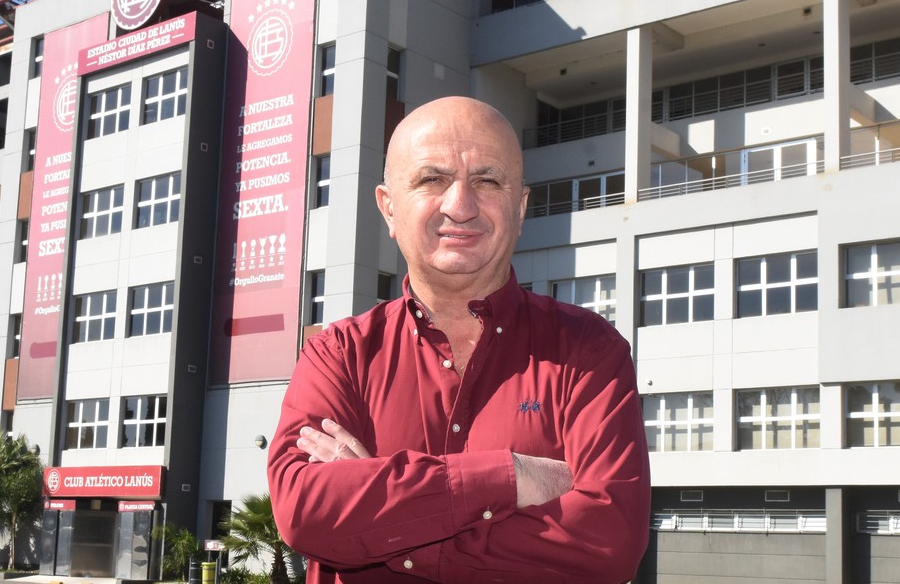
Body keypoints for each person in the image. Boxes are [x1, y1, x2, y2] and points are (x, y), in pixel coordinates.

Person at [267, 96, 650, 583]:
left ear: (520, 207)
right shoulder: (338, 354)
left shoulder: (589, 352)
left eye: (487, 181)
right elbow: (306, 512)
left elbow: (609, 540)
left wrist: (386, 521)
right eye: (432, 179)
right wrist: (512, 476)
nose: (460, 206)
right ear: (389, 207)